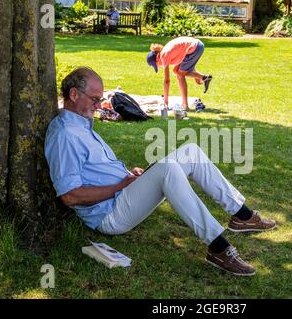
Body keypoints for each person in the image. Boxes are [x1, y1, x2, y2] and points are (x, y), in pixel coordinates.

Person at [45, 67, 277, 276]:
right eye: (95, 100)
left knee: (190, 151)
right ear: (74, 95)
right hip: (109, 214)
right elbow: (70, 196)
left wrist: (128, 175)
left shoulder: (80, 124)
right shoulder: (65, 135)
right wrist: (120, 185)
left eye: (100, 99)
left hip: (123, 192)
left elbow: (95, 169)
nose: (99, 106)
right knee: (167, 169)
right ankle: (219, 248)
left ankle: (243, 216)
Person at [146, 37, 212, 113]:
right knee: (176, 71)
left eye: (157, 65)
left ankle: (185, 105)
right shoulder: (166, 53)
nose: (159, 66)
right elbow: (183, 57)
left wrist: (166, 101)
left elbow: (167, 81)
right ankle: (204, 78)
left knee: (180, 75)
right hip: (196, 46)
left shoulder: (164, 55)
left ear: (157, 58)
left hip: (195, 48)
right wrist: (194, 73)